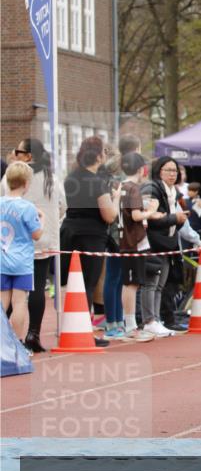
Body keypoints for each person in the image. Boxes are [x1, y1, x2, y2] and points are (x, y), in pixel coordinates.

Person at [1, 137, 65, 352]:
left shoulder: (11, 177)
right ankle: (32, 334)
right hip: (41, 240)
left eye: (18, 151)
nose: (14, 154)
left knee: (7, 295)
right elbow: (63, 205)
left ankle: (6, 336)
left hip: (9, 245)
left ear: (28, 156)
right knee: (35, 289)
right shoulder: (51, 178)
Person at [60, 136, 120, 348]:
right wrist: (117, 198)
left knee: (70, 283)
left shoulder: (71, 178)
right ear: (97, 156)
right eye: (103, 151)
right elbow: (109, 216)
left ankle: (68, 327)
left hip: (69, 232)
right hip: (91, 236)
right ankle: (82, 331)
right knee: (87, 284)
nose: (105, 155)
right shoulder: (97, 182)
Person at [142, 156, 189, 336]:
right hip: (154, 242)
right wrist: (174, 218)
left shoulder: (173, 192)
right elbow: (150, 217)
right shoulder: (152, 188)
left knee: (160, 285)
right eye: (168, 170)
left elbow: (168, 218)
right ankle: (149, 320)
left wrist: (179, 220)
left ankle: (156, 319)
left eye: (175, 170)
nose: (172, 174)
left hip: (168, 243)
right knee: (151, 283)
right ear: (158, 170)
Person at [118, 152, 160, 342]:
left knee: (130, 283)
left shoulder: (122, 186)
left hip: (126, 239)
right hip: (133, 242)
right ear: (141, 169)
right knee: (131, 284)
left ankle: (130, 324)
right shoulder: (133, 188)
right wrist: (150, 211)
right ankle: (131, 326)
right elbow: (135, 216)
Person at [0, 161, 43, 344]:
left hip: (2, 259)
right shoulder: (27, 207)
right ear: (26, 184)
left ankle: (2, 343)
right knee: (19, 303)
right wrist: (42, 218)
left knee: (2, 303)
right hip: (22, 263)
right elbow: (37, 234)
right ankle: (17, 343)